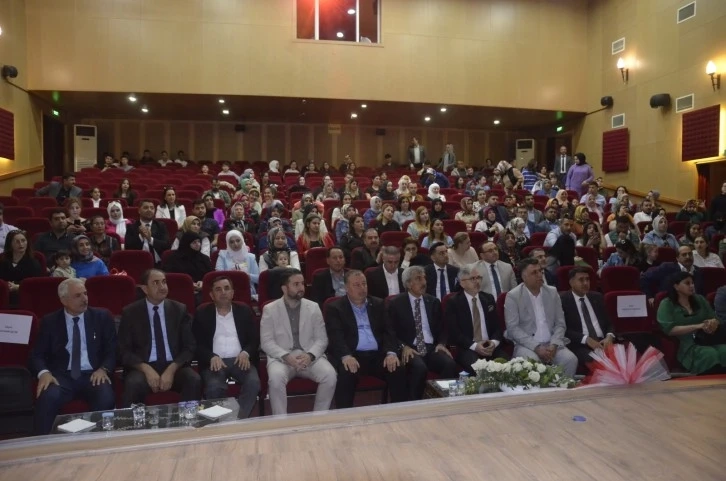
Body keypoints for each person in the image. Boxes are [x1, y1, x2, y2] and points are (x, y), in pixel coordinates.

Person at [29, 278, 116, 434]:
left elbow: (113, 349)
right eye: (78, 296)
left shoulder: (102, 316)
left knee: (105, 396)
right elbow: (37, 354)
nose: (84, 299)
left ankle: (99, 442)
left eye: (85, 293)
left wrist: (104, 369)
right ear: (64, 300)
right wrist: (44, 373)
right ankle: (41, 443)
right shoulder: (50, 321)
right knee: (47, 397)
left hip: (93, 374)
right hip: (61, 376)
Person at [118, 269, 201, 406]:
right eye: (156, 283)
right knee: (133, 383)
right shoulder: (131, 312)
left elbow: (190, 347)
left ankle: (188, 418)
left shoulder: (179, 310)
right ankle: (133, 420)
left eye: (164, 282)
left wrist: (171, 369)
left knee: (193, 379)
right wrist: (146, 369)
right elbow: (123, 351)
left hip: (174, 365)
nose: (162, 287)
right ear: (145, 289)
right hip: (143, 367)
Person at [325, 270, 407, 408]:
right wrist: (346, 356)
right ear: (346, 288)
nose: (362, 288)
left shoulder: (379, 304)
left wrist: (391, 353)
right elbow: (335, 336)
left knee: (397, 368)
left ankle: (399, 411)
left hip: (378, 355)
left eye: (364, 284)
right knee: (346, 373)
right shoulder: (335, 308)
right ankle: (344, 414)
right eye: (357, 285)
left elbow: (389, 331)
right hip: (353, 355)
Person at [260, 269, 337, 415]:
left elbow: (322, 339)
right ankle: (281, 421)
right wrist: (285, 356)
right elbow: (266, 342)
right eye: (296, 284)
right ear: (284, 288)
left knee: (330, 375)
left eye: (302, 283)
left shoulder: (313, 307)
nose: (301, 288)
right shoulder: (270, 309)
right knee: (275, 379)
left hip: (308, 355)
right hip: (282, 357)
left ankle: (319, 418)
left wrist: (310, 355)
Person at [193, 276, 261, 418]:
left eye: (226, 288)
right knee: (214, 387)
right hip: (215, 362)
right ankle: (221, 420)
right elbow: (196, 343)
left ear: (232, 293)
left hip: (240, 360)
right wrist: (210, 356)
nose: (223, 292)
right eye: (218, 289)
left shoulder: (244, 310)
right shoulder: (202, 313)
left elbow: (254, 339)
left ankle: (238, 419)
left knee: (253, 383)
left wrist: (246, 352)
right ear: (211, 295)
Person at [387, 266, 458, 400]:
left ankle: (441, 401)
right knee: (419, 368)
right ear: (408, 284)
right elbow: (390, 331)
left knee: (449, 364)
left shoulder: (433, 301)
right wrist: (403, 346)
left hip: (431, 347)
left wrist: (441, 343)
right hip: (410, 348)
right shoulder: (395, 303)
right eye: (418, 279)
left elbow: (443, 328)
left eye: (424, 278)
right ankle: (414, 403)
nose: (424, 282)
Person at [504, 258, 578, 377]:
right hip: (527, 345)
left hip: (552, 344)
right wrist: (536, 347)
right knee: (532, 363)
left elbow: (560, 323)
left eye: (540, 271)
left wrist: (554, 344)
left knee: (570, 359)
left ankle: (560, 388)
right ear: (524, 277)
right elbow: (512, 328)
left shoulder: (552, 292)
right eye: (534, 273)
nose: (539, 275)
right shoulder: (513, 296)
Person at [658, 272, 726, 374]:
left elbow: (715, 319)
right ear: (676, 286)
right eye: (687, 283)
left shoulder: (700, 299)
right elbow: (669, 329)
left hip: (707, 338)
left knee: (724, 351)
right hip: (685, 342)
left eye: (692, 283)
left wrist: (712, 323)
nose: (692, 286)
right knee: (709, 354)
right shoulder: (666, 304)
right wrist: (699, 326)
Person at [445, 266, 506, 376]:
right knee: (480, 370)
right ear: (462, 283)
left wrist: (494, 342)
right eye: (472, 278)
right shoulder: (453, 302)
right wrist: (475, 346)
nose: (477, 281)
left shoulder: (488, 298)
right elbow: (455, 333)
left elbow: (497, 326)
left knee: (508, 366)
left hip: (489, 346)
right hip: (468, 347)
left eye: (479, 278)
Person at [560, 267, 616, 366]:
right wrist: (586, 339)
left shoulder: (597, 297)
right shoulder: (563, 300)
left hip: (603, 342)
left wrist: (609, 336)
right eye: (581, 280)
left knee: (623, 356)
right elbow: (564, 329)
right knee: (596, 361)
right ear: (571, 282)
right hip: (581, 344)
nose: (585, 283)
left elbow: (609, 323)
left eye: (587, 279)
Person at [0, 230, 44, 304]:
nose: (21, 244)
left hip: (25, 297)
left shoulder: (34, 263)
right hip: (3, 295)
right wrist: (5, 286)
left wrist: (18, 287)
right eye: (17, 241)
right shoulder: (2, 260)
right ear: (10, 244)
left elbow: (37, 285)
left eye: (23, 241)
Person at [125, 200, 171, 265]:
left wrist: (150, 239)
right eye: (146, 207)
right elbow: (128, 247)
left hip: (158, 263)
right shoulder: (131, 227)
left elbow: (167, 245)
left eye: (152, 208)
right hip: (137, 263)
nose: (149, 210)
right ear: (139, 211)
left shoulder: (161, 226)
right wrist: (141, 237)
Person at [215, 230, 259, 297]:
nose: (235, 244)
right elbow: (218, 275)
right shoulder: (223, 255)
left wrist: (247, 276)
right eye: (231, 242)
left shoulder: (251, 257)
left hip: (247, 290)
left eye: (238, 241)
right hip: (226, 291)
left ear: (242, 240)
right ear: (228, 243)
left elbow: (258, 279)